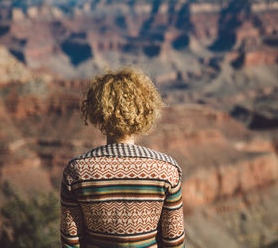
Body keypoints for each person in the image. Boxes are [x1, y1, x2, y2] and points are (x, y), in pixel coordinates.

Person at [60, 66, 185, 248]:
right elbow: (174, 242)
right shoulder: (166, 170)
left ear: (97, 109)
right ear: (146, 109)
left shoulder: (76, 171)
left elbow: (71, 242)